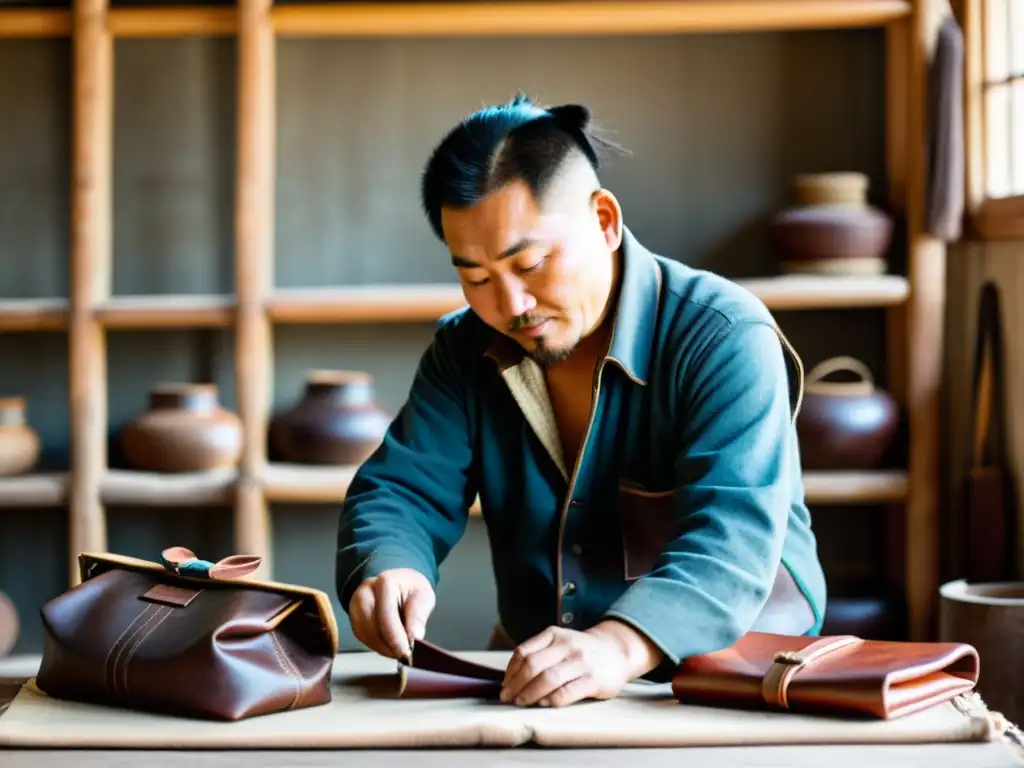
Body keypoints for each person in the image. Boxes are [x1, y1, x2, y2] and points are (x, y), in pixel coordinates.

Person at [335, 93, 827, 709]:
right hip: (548, 675)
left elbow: (731, 539)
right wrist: (389, 566)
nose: (511, 305)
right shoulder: (465, 348)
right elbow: (404, 488)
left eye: (532, 263)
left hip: (733, 679)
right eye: (476, 278)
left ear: (604, 220)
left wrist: (618, 647)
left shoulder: (725, 335)